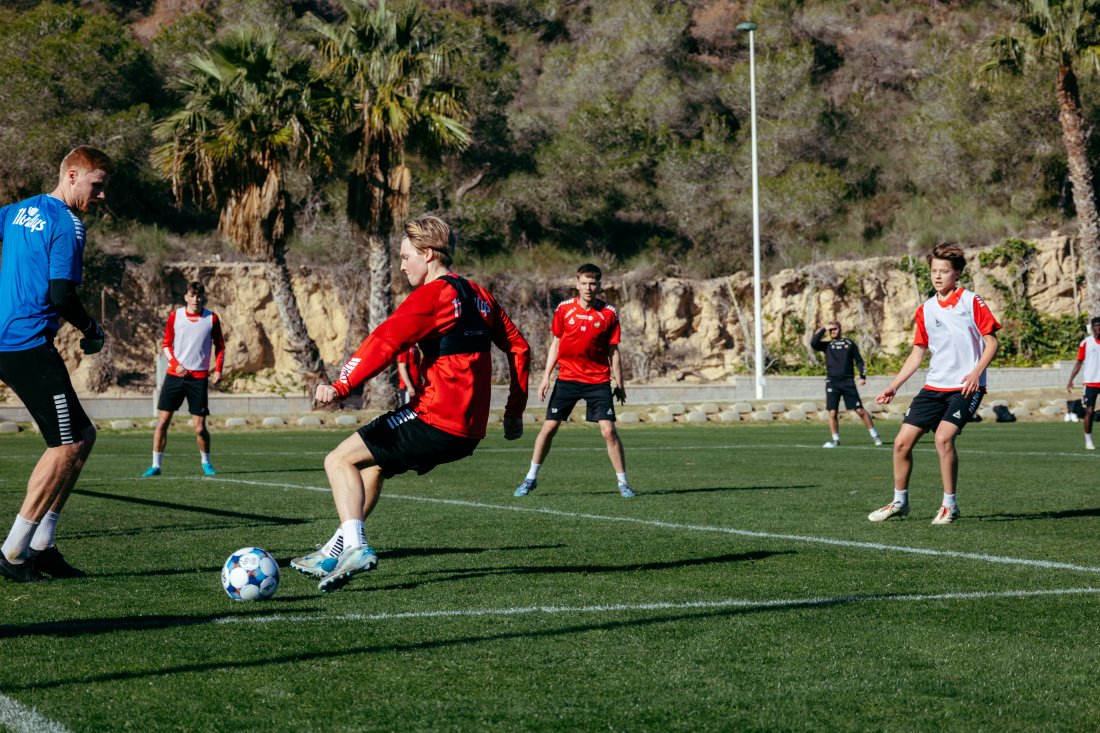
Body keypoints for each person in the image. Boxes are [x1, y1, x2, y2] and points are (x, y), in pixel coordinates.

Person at [291, 215, 529, 592]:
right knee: (371, 466)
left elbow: (385, 341)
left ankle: (355, 547)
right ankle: (333, 550)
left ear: (429, 254)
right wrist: (514, 411)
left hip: (433, 418)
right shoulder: (481, 297)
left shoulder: (433, 296)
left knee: (337, 460)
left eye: (405, 257)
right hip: (468, 432)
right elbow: (519, 346)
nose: (401, 266)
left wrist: (340, 385)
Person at [0, 145, 114, 582]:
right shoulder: (69, 224)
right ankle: (12, 553)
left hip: (10, 341)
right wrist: (92, 329)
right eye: (96, 185)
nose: (101, 196)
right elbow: (61, 296)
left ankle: (43, 543)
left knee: (83, 436)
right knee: (64, 445)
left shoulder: (17, 210)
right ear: (72, 175)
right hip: (27, 343)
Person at [868, 242, 999, 525]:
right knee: (901, 443)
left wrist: (977, 372)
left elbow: (992, 342)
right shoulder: (925, 309)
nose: (937, 276)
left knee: (943, 437)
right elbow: (918, 352)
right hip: (933, 387)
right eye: (933, 271)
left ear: (957, 274)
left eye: (944, 271)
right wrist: (895, 385)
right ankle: (899, 502)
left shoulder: (971, 302)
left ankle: (949, 505)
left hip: (965, 387)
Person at [513, 263, 635, 499]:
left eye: (593, 283)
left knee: (608, 431)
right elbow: (556, 343)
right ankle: (530, 479)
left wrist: (620, 383)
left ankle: (623, 483)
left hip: (598, 380)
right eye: (584, 283)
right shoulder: (564, 309)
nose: (588, 287)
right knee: (548, 428)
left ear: (599, 285)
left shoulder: (609, 313)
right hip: (567, 378)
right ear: (577, 284)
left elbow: (614, 351)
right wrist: (546, 376)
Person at [141, 281, 225, 477]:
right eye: (192, 295)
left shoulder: (211, 318)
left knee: (199, 428)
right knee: (162, 423)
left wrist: (218, 370)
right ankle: (155, 465)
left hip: (198, 379)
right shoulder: (175, 316)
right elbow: (166, 344)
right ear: (186, 297)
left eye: (199, 296)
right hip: (174, 376)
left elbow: (220, 346)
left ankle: (206, 462)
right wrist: (176, 365)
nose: (195, 299)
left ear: (203, 297)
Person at [811, 320, 882, 448]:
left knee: (860, 410)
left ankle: (875, 435)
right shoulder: (827, 346)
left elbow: (859, 361)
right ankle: (835, 440)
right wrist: (823, 329)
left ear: (840, 329)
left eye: (835, 329)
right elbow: (813, 343)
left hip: (848, 382)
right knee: (832, 413)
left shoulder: (849, 344)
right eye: (831, 330)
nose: (833, 331)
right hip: (832, 382)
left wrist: (862, 376)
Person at [1065, 317, 1100, 450]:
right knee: (1089, 411)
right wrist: (1070, 380)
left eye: (1099, 325)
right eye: (1096, 326)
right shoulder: (1086, 343)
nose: (1098, 328)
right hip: (1090, 383)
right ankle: (1088, 440)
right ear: (1092, 328)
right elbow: (1079, 363)